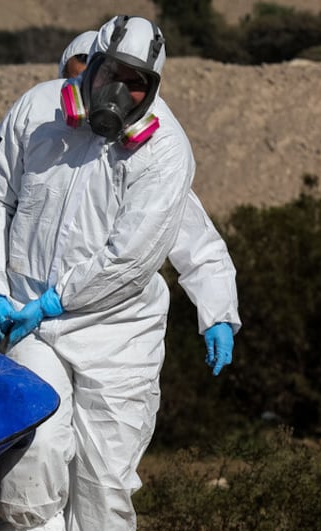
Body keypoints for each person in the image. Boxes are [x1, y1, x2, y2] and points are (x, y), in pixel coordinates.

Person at [0, 15, 201, 531]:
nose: (121, 92)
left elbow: (129, 260)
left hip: (119, 334)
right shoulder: (35, 112)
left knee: (106, 479)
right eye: (112, 74)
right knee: (34, 451)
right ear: (91, 64)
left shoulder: (165, 152)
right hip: (31, 323)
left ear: (153, 88)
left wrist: (53, 301)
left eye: (138, 84)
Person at [55, 30, 240, 375]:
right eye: (75, 82)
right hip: (38, 322)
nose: (104, 98)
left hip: (115, 335)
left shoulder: (148, 161)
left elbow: (196, 241)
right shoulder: (44, 146)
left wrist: (218, 313)